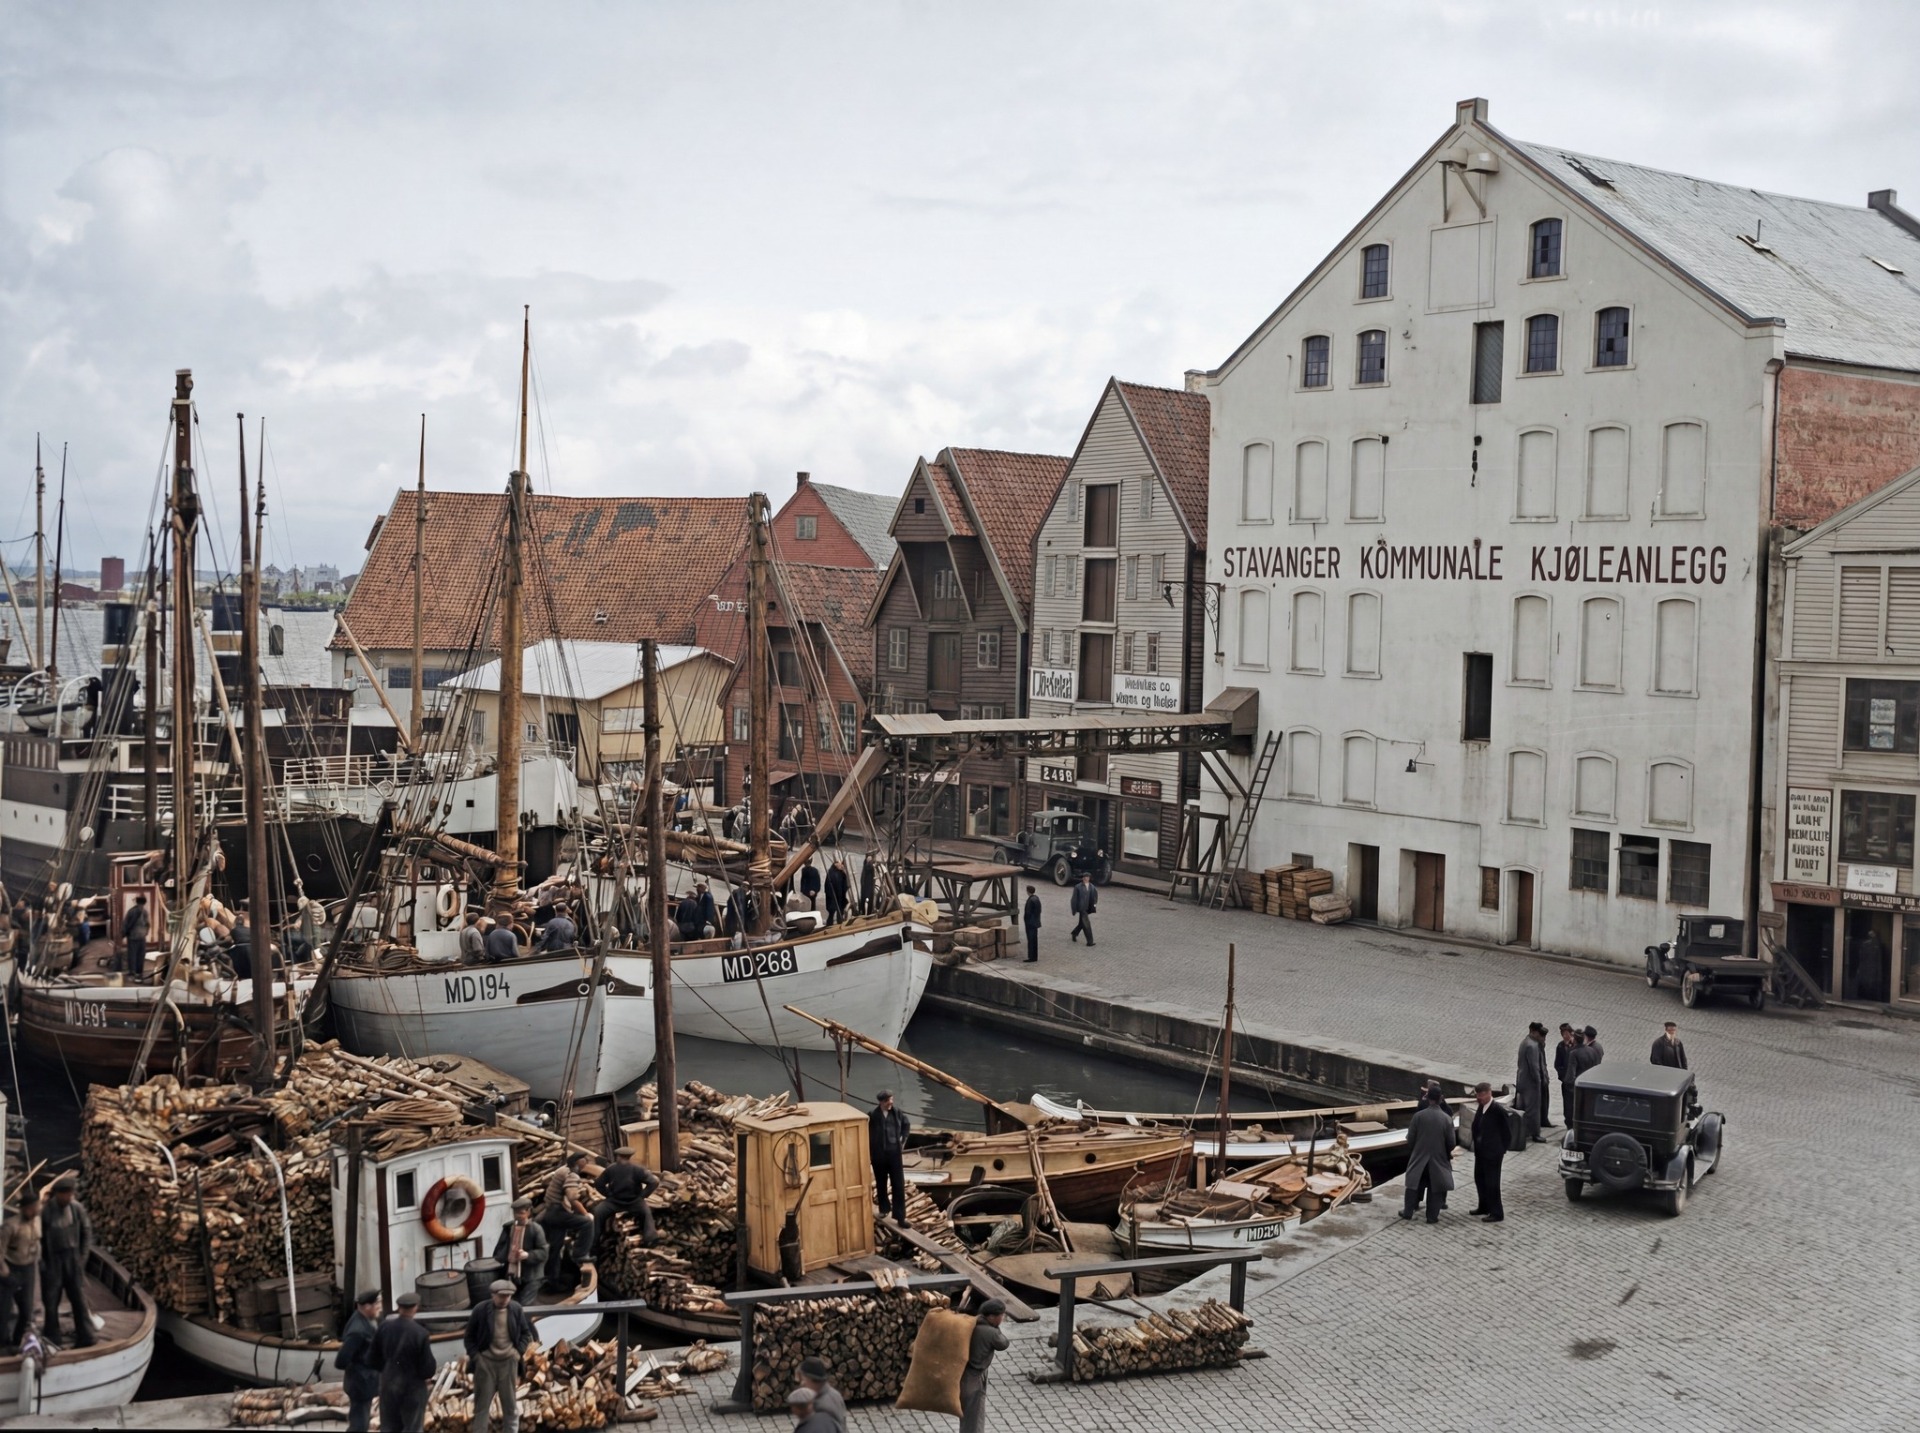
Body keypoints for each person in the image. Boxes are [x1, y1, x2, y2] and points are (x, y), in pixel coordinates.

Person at [465, 1279, 536, 1433]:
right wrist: (477, 1358)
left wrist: (517, 1354)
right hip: (486, 1364)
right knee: (481, 1407)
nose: (505, 1300)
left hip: (509, 1363)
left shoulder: (516, 1309)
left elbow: (525, 1333)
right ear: (493, 1295)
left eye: (508, 1296)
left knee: (510, 1405)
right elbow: (469, 1337)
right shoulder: (481, 1310)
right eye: (501, 1296)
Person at [40, 1176, 94, 1348]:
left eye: (70, 1194)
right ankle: (52, 1337)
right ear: (58, 1194)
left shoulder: (77, 1209)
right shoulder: (46, 1211)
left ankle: (86, 1336)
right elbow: (37, 1239)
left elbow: (86, 1234)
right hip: (53, 1260)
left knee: (78, 1299)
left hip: (72, 1259)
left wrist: (82, 1259)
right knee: (51, 1300)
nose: (68, 1197)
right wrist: (42, 1263)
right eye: (65, 1194)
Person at [372, 1291, 436, 1433]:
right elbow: (428, 1369)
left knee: (388, 1427)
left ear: (398, 1307)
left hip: (388, 1386)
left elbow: (372, 1359)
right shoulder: (420, 1333)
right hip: (412, 1389)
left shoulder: (384, 1327)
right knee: (413, 1427)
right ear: (415, 1307)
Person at [1399, 1087, 1455, 1224]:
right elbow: (1452, 1143)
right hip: (1438, 1158)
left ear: (1428, 1098)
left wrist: (1416, 1150)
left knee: (1413, 1185)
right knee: (1435, 1187)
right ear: (1440, 1099)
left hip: (1419, 1156)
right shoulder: (1447, 1119)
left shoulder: (1418, 1116)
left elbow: (1410, 1138)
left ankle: (1408, 1211)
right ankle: (1432, 1216)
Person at [537, 1152, 597, 1271]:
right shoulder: (572, 1175)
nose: (584, 1166)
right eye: (583, 1162)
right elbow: (572, 1199)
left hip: (550, 1211)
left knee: (556, 1247)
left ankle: (552, 1280)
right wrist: (586, 1214)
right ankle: (580, 1254)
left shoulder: (562, 1169)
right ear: (577, 1163)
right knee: (587, 1223)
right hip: (558, 1212)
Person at [591, 1146, 660, 1249]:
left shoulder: (612, 1168)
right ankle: (650, 1239)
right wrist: (643, 1196)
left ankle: (594, 1241)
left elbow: (598, 1183)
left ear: (618, 1157)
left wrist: (607, 1194)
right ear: (629, 1157)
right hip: (633, 1202)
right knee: (646, 1214)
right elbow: (654, 1182)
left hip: (615, 1202)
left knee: (598, 1212)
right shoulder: (638, 1169)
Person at [960, 1298, 1010, 1433]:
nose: (1003, 1318)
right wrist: (996, 1328)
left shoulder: (972, 1323)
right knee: (974, 1417)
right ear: (992, 1317)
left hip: (964, 1375)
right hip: (974, 1379)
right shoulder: (991, 1333)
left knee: (969, 1416)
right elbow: (1003, 1343)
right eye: (1001, 1316)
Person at [334, 1290, 382, 1432]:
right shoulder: (358, 1331)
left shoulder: (365, 1319)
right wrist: (362, 1365)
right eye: (377, 1303)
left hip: (363, 1383)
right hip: (360, 1385)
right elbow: (341, 1361)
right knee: (359, 1426)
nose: (380, 1306)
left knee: (361, 1422)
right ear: (367, 1307)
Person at [1, 1192, 41, 1352]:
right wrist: (5, 1274)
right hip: (11, 1269)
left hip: (28, 1268)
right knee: (3, 1311)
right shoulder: (10, 1226)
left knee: (26, 1310)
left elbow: (38, 1242)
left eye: (37, 1207)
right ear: (24, 1209)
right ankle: (3, 1343)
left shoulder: (37, 1221)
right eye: (32, 1208)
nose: (35, 1211)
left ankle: (18, 1340)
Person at [1467, 1081, 1508, 1222]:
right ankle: (1483, 1206)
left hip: (1493, 1153)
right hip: (1481, 1152)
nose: (1479, 1098)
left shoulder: (1498, 1110)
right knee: (1480, 1178)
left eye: (1482, 1096)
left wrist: (1501, 1149)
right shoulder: (1481, 1107)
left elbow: (1507, 1132)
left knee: (1492, 1183)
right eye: (1478, 1096)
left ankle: (1497, 1212)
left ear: (1489, 1093)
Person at [494, 1197, 549, 1302]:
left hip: (532, 1274)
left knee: (526, 1303)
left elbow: (544, 1252)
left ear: (528, 1212)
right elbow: (500, 1248)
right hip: (513, 1272)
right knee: (512, 1301)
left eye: (521, 1213)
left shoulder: (536, 1229)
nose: (517, 1217)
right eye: (515, 1213)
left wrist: (528, 1255)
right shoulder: (509, 1228)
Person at [868, 1090, 910, 1223]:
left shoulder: (897, 1113)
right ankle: (884, 1209)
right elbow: (865, 1132)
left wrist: (903, 1140)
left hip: (894, 1155)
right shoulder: (872, 1115)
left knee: (898, 1184)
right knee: (881, 1183)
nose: (890, 1103)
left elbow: (906, 1125)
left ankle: (900, 1217)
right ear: (881, 1102)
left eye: (891, 1099)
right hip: (878, 1155)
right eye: (887, 1101)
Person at [1514, 1023, 1548, 1144]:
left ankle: (1523, 1131)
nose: (1540, 1036)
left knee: (1522, 1107)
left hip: (1522, 1079)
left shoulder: (1525, 1042)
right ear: (1533, 1032)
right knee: (1533, 1109)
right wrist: (1539, 1081)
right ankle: (1535, 1133)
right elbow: (1534, 1067)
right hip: (1531, 1083)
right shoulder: (1532, 1046)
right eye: (1539, 1033)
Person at [797, 1355, 847, 1433]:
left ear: (810, 1379)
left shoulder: (819, 1407)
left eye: (803, 1379)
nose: (802, 1384)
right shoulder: (835, 1395)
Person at [1554, 1023, 1578, 1125]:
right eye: (1562, 1033)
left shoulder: (1575, 1045)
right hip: (1565, 1081)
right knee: (1567, 1103)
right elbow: (1557, 1064)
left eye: (1566, 1033)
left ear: (1571, 1033)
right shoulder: (1560, 1046)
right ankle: (1568, 1121)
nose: (1564, 1036)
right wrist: (1563, 1075)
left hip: (1574, 1080)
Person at [122, 895, 150, 980]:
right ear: (144, 903)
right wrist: (145, 933)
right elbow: (148, 924)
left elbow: (125, 924)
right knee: (140, 955)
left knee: (132, 954)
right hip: (142, 937)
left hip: (133, 936)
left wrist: (123, 934)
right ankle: (139, 972)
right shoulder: (145, 912)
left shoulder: (131, 911)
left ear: (136, 902)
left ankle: (132, 972)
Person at [1069, 873, 1097, 946]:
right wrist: (1074, 909)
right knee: (1087, 924)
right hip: (1082, 908)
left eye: (1087, 877)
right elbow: (1074, 899)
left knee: (1082, 923)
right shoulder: (1078, 887)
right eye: (1084, 877)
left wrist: (1094, 905)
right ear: (1082, 878)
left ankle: (1074, 933)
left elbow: (1095, 897)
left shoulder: (1092, 887)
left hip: (1088, 908)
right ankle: (1090, 942)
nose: (1086, 879)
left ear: (1089, 878)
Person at [824, 860, 849, 926]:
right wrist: (830, 894)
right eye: (839, 864)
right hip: (833, 896)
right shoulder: (831, 872)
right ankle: (829, 925)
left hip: (840, 896)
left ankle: (840, 923)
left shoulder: (842, 873)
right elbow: (827, 886)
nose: (841, 866)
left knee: (840, 912)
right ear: (836, 864)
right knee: (831, 912)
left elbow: (845, 884)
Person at [1023, 885, 1042, 964]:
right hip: (1035, 922)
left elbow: (1028, 912)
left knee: (1030, 940)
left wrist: (1026, 920)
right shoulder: (1037, 899)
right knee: (1034, 940)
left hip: (1030, 923)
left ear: (1028, 891)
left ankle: (1031, 957)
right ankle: (1035, 956)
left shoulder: (1030, 900)